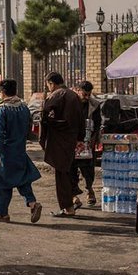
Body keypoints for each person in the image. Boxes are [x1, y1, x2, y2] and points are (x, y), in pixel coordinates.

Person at [0, 79, 42, 224]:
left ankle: (2, 214)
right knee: (22, 179)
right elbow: (29, 129)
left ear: (3, 92)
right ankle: (32, 203)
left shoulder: (3, 109)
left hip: (5, 152)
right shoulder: (24, 107)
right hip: (19, 150)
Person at [38, 71, 85, 217]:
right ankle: (72, 200)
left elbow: (44, 112)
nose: (48, 88)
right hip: (71, 139)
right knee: (68, 171)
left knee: (61, 174)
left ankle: (68, 208)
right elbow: (81, 119)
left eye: (48, 85)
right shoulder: (74, 95)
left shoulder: (56, 95)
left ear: (52, 83)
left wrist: (46, 129)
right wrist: (80, 138)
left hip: (59, 140)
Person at [71, 80, 102, 209]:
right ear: (78, 91)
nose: (87, 97)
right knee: (71, 169)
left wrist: (94, 139)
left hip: (88, 142)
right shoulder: (71, 103)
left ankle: (89, 189)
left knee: (88, 168)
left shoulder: (94, 105)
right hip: (72, 142)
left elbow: (98, 123)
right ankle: (73, 195)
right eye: (84, 94)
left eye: (89, 94)